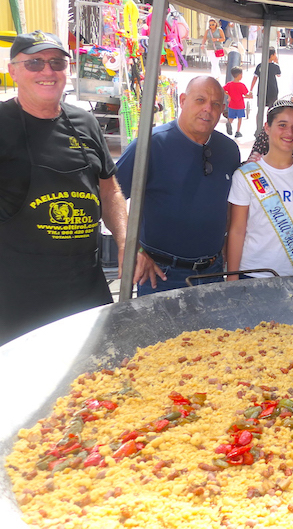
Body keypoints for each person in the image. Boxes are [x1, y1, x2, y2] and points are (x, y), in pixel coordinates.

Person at [0, 30, 127, 345]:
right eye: (35, 63)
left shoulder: (85, 122)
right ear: (13, 70)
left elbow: (109, 191)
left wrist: (125, 242)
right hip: (19, 295)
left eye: (57, 62)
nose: (47, 71)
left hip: (86, 286)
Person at [116, 75, 241, 295]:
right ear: (183, 100)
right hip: (161, 274)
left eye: (215, 104)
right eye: (200, 100)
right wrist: (134, 248)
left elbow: (232, 205)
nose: (207, 109)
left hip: (213, 272)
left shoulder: (229, 150)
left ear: (223, 109)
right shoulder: (149, 145)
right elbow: (110, 197)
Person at [227, 97, 293, 279]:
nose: (289, 132)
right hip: (252, 274)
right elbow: (237, 230)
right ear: (267, 128)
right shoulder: (245, 175)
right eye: (282, 125)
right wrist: (232, 277)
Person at [223, 67, 250, 137]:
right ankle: (238, 131)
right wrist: (250, 95)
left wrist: (229, 95)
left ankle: (229, 123)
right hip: (240, 105)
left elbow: (223, 89)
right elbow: (246, 94)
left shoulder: (229, 84)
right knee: (240, 118)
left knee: (231, 117)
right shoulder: (242, 85)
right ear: (240, 75)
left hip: (232, 105)